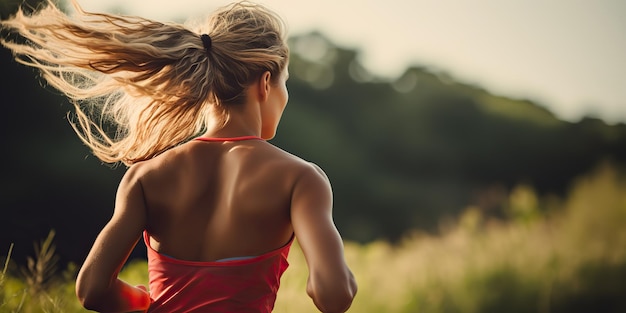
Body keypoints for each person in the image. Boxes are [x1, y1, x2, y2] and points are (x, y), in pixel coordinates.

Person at [1, 0, 357, 312]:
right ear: (266, 83)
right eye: (285, 81)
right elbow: (332, 295)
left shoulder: (145, 177)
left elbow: (92, 290)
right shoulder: (300, 178)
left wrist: (147, 303)